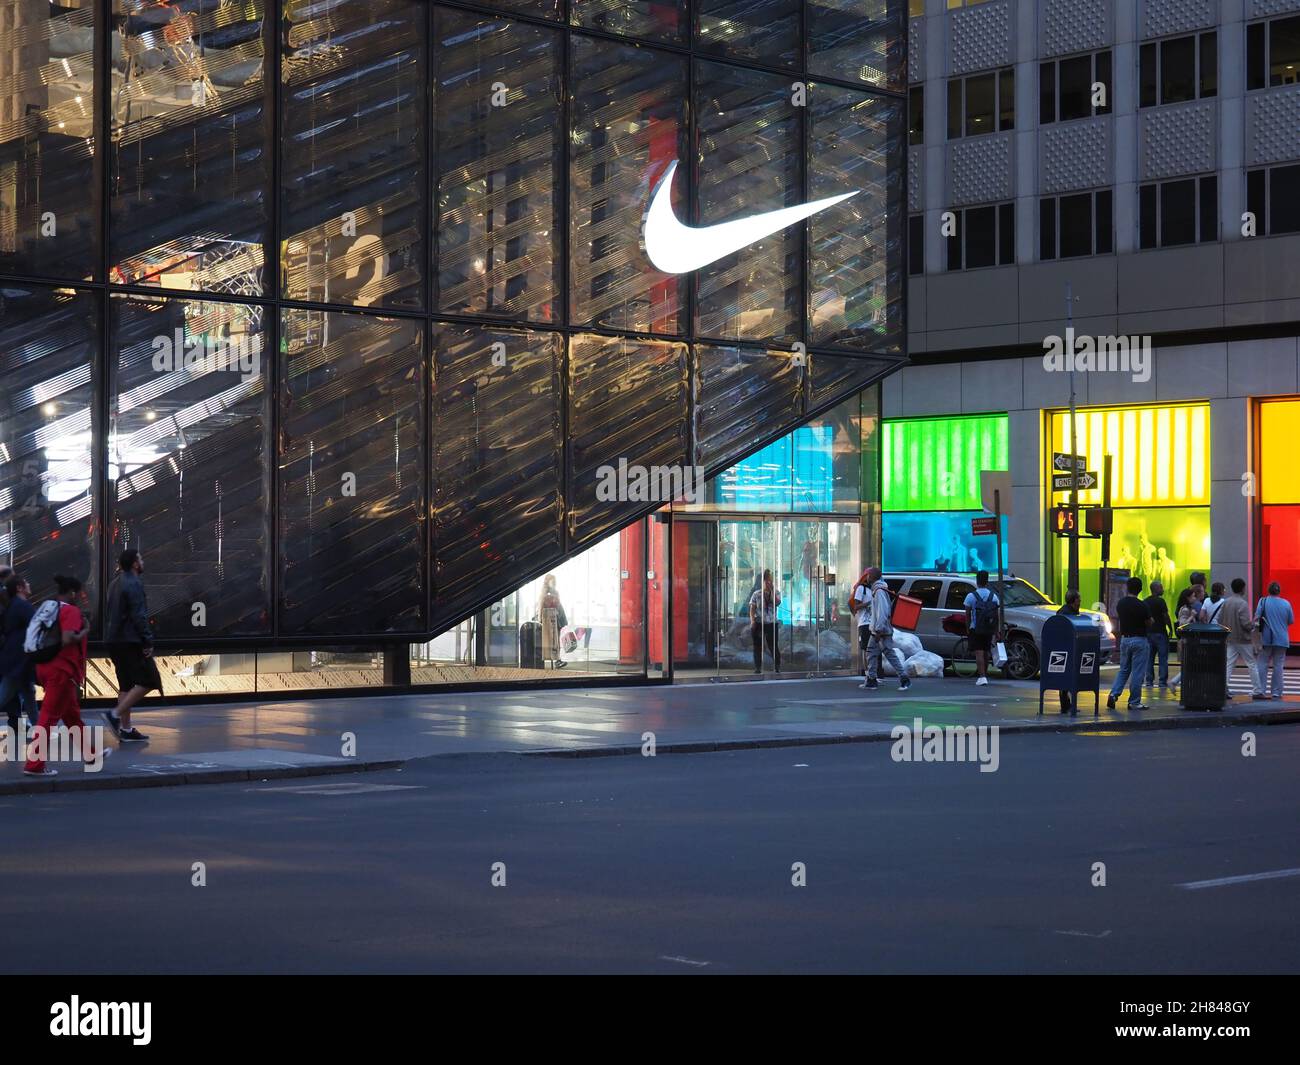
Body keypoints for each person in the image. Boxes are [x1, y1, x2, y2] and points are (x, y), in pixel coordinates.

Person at [23, 575, 104, 777]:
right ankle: (34, 765)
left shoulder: (49, 608)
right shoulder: (71, 611)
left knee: (72, 717)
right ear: (73, 593)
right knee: (48, 718)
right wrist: (85, 630)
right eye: (80, 593)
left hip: (46, 667)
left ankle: (91, 755)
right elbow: (68, 639)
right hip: (62, 671)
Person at [103, 548, 159, 742]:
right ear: (135, 563)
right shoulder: (133, 583)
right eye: (141, 558)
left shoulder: (114, 583)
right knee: (149, 680)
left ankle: (126, 730)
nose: (143, 562)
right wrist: (147, 640)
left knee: (125, 684)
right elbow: (139, 615)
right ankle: (115, 715)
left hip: (114, 640)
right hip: (129, 640)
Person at [860, 566, 910, 692]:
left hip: (880, 630)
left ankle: (903, 678)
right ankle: (872, 680)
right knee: (873, 652)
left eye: (868, 575)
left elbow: (882, 612)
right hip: (880, 629)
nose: (866, 577)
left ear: (872, 577)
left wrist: (878, 630)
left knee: (886, 653)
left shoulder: (879, 591)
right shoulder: (878, 589)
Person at [0, 573, 38, 732]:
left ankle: (39, 728)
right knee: (3, 696)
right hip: (17, 661)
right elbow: (37, 626)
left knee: (29, 692)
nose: (29, 584)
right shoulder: (23, 606)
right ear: (19, 588)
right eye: (26, 583)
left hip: (17, 660)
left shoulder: (14, 605)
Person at [1107, 576, 1151, 711]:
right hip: (1140, 640)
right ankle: (1134, 702)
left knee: (1124, 670)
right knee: (1137, 672)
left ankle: (1114, 694)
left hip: (1125, 639)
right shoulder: (1142, 605)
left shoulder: (1121, 604)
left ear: (1127, 587)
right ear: (1140, 589)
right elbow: (1149, 622)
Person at [1220, 578, 1262, 699]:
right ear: (1242, 588)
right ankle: (1257, 689)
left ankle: (1223, 687)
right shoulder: (1242, 604)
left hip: (1230, 637)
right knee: (1251, 663)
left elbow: (1220, 620)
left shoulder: (1226, 602)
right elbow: (1245, 624)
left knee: (1229, 663)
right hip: (1243, 639)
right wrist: (1254, 624)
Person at [1253, 581, 1294, 701]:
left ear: (1268, 590)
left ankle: (1261, 690)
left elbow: (1256, 617)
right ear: (1279, 591)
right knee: (1278, 665)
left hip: (1266, 638)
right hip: (1282, 638)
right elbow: (1291, 620)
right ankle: (1276, 692)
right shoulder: (1286, 603)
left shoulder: (1263, 601)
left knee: (1262, 663)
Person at [963, 570, 1000, 686]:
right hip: (989, 628)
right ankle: (985, 673)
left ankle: (982, 676)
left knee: (979, 652)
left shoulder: (971, 596)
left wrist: (968, 627)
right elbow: (996, 615)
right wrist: (996, 630)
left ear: (977, 581)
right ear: (987, 581)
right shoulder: (993, 596)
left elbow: (967, 614)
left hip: (976, 628)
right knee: (986, 652)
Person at [1168, 584, 1204, 690]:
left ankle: (1177, 682)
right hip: (1187, 641)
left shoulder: (1188, 608)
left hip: (1190, 641)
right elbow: (1182, 626)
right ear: (1187, 598)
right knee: (1191, 664)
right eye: (1193, 596)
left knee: (1191, 665)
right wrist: (1192, 616)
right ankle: (1176, 683)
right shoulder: (1185, 610)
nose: (1194, 598)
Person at [749, 569, 782, 674]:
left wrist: (772, 592)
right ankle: (758, 667)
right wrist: (752, 621)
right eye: (767, 581)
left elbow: (777, 603)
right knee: (757, 646)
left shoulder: (776, 592)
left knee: (773, 646)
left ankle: (777, 666)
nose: (769, 583)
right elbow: (752, 609)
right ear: (762, 581)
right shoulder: (756, 594)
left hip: (771, 623)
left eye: (770, 581)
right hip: (759, 622)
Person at [1056, 590, 1082, 713]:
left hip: (1066, 646)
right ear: (1074, 600)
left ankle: (1067, 704)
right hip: (1067, 647)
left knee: (1067, 676)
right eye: (1079, 599)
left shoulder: (1066, 611)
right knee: (1067, 675)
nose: (1080, 601)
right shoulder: (1068, 613)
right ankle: (1066, 705)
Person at [1144, 580, 1173, 689]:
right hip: (1161, 633)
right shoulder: (1161, 602)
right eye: (1161, 587)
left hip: (1149, 634)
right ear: (1156, 589)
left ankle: (1149, 681)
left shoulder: (1145, 601)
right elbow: (1166, 616)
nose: (1163, 589)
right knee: (1163, 659)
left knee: (1149, 659)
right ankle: (1162, 682)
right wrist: (1170, 628)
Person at [848, 568, 874, 687]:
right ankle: (867, 674)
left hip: (873, 623)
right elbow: (856, 607)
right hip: (864, 623)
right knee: (865, 649)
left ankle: (873, 675)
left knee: (873, 650)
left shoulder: (874, 589)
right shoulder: (861, 589)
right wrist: (868, 604)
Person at [536, 574, 566, 670]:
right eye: (552, 581)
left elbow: (558, 604)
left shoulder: (553, 592)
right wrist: (540, 618)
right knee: (551, 640)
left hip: (556, 618)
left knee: (555, 640)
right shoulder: (545, 593)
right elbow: (541, 605)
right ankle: (555, 660)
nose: (554, 583)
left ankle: (557, 659)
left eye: (554, 581)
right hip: (550, 619)